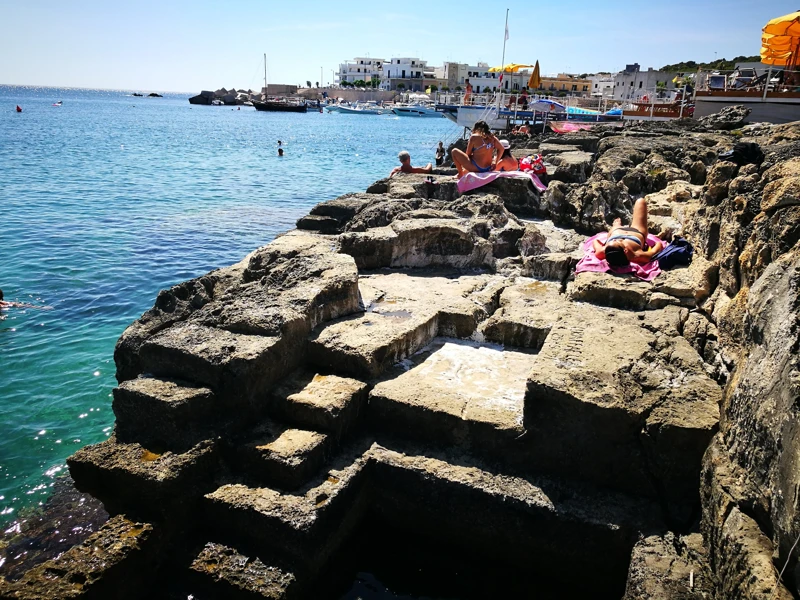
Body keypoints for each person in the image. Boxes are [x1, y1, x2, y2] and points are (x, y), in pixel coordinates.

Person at [593, 198, 663, 266]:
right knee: (640, 201)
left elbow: (595, 241)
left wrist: (606, 243)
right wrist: (654, 243)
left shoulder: (604, 251)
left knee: (615, 226)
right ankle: (617, 226)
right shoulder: (638, 255)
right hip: (636, 232)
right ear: (625, 250)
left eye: (613, 241)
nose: (615, 240)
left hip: (617, 231)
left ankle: (617, 225)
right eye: (617, 242)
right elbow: (658, 246)